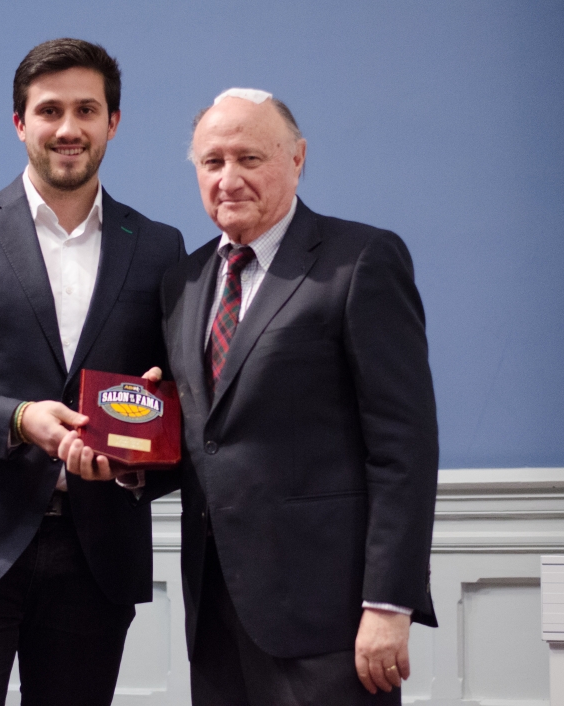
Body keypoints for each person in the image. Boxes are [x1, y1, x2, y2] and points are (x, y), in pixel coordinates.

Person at [0, 38, 185, 706]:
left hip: (97, 558)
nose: (68, 128)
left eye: (87, 110)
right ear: (20, 123)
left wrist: (135, 463)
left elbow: (175, 404)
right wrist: (19, 419)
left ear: (114, 122)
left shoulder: (160, 247)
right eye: (50, 110)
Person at [162, 88, 439, 705]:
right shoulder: (184, 280)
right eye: (212, 162)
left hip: (330, 622)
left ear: (297, 158)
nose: (228, 179)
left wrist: (389, 604)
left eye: (249, 158)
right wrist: (131, 462)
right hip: (216, 615)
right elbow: (206, 437)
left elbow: (404, 448)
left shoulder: (360, 260)